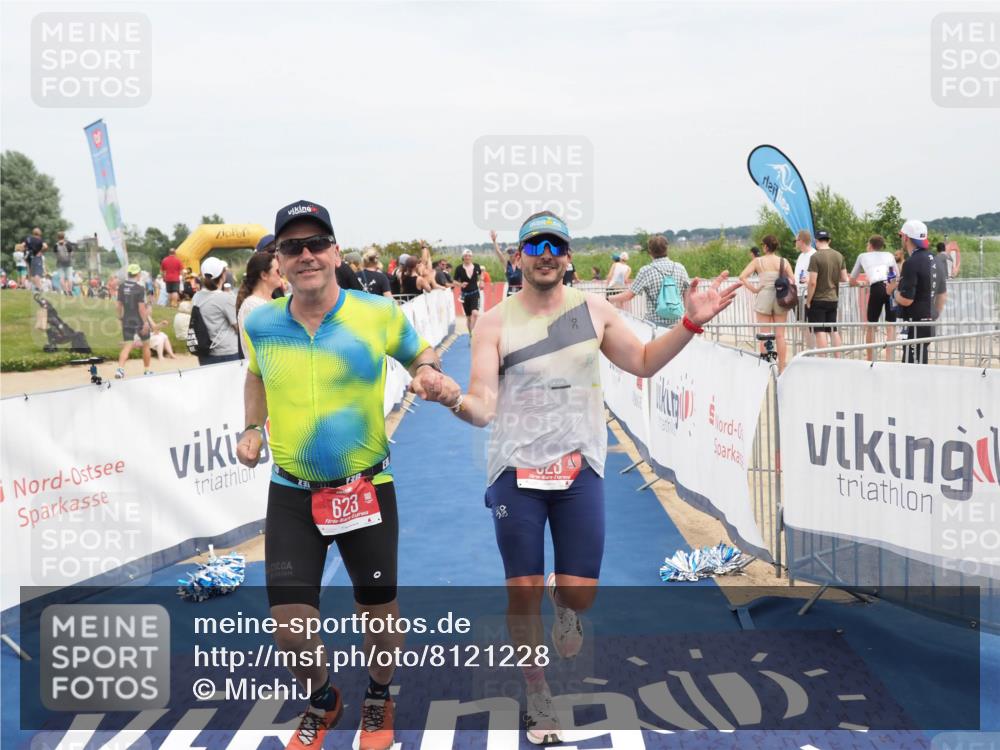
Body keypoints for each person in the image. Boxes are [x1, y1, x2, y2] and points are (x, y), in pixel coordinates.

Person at [447, 211, 737, 745]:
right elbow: (483, 405)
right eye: (534, 247)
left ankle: (566, 601)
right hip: (516, 472)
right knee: (522, 592)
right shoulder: (494, 322)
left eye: (554, 246)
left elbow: (645, 362)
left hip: (579, 469)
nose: (545, 256)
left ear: (568, 256)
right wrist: (453, 400)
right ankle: (538, 695)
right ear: (518, 257)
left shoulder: (594, 311)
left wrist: (692, 323)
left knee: (579, 595)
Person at [235, 199, 460, 750]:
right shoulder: (260, 321)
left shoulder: (376, 314)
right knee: (290, 629)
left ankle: (379, 697)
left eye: (316, 244)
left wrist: (428, 371)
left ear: (335, 251)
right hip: (292, 493)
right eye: (293, 247)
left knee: (378, 611)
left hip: (366, 487)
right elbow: (255, 376)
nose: (306, 255)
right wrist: (251, 428)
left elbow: (422, 351)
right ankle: (323, 698)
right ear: (279, 261)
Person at [608, 235, 691, 327]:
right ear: (667, 249)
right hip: (677, 323)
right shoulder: (680, 268)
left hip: (655, 325)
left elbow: (628, 296)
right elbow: (687, 294)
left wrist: (608, 298)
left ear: (650, 251)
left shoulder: (646, 270)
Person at [738, 234, 793, 371]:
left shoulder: (758, 262)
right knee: (780, 335)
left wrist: (754, 290)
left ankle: (766, 367)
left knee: (765, 334)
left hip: (763, 296)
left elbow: (742, 277)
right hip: (780, 297)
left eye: (763, 245)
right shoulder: (783, 261)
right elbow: (792, 280)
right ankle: (781, 368)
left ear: (766, 247)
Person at [849, 235, 900, 362]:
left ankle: (871, 359)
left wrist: (860, 283)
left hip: (876, 287)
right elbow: (897, 275)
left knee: (871, 325)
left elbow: (852, 279)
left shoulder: (862, 256)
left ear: (870, 245)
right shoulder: (889, 255)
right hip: (891, 286)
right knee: (891, 325)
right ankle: (890, 359)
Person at [895, 220, 938, 364]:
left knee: (911, 366)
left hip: (914, 321)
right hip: (928, 318)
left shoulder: (911, 263)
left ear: (906, 237)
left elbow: (907, 299)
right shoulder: (933, 259)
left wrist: (894, 293)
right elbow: (942, 294)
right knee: (921, 361)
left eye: (901, 236)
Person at [805, 230, 848, 354]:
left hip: (818, 299)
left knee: (820, 331)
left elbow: (812, 282)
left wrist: (808, 301)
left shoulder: (815, 257)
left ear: (816, 241)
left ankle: (823, 360)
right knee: (833, 330)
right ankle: (838, 358)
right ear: (829, 240)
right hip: (833, 298)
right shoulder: (839, 256)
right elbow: (844, 278)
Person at [192, 257, 240, 366]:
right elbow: (238, 327)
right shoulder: (225, 298)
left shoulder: (196, 297)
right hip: (227, 352)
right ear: (223, 276)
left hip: (204, 352)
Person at [236, 252, 285, 349]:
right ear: (264, 275)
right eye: (277, 271)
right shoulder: (252, 306)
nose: (281, 274)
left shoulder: (271, 302)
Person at [115, 263, 152, 379]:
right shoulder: (139, 288)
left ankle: (120, 370)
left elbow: (118, 305)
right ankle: (147, 370)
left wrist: (120, 317)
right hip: (138, 320)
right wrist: (145, 322)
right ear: (138, 274)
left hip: (126, 319)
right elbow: (141, 308)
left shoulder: (121, 287)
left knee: (127, 346)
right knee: (146, 345)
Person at [792, 230, 817, 350]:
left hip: (808, 294)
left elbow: (816, 277)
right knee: (803, 325)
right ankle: (810, 349)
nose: (794, 243)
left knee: (809, 325)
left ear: (801, 241)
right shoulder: (801, 256)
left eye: (795, 240)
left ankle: (812, 350)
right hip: (799, 294)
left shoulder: (814, 255)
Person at [452, 248, 483, 332]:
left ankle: (474, 332)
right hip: (465, 296)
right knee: (469, 317)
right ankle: (471, 334)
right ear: (463, 257)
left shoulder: (476, 266)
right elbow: (454, 281)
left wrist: (481, 282)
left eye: (469, 256)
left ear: (471, 257)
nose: (468, 257)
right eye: (466, 256)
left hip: (475, 293)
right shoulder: (459, 268)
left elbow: (482, 273)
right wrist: (460, 284)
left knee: (475, 314)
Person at [491, 229, 522, 296]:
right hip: (510, 291)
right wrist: (494, 241)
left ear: (516, 254)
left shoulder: (520, 263)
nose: (511, 255)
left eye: (512, 253)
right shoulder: (506, 265)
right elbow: (499, 253)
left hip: (521, 291)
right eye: (509, 253)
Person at [933, 242, 950, 319]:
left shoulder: (937, 258)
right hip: (951, 280)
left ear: (937, 249)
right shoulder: (949, 257)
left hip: (942, 282)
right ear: (944, 248)